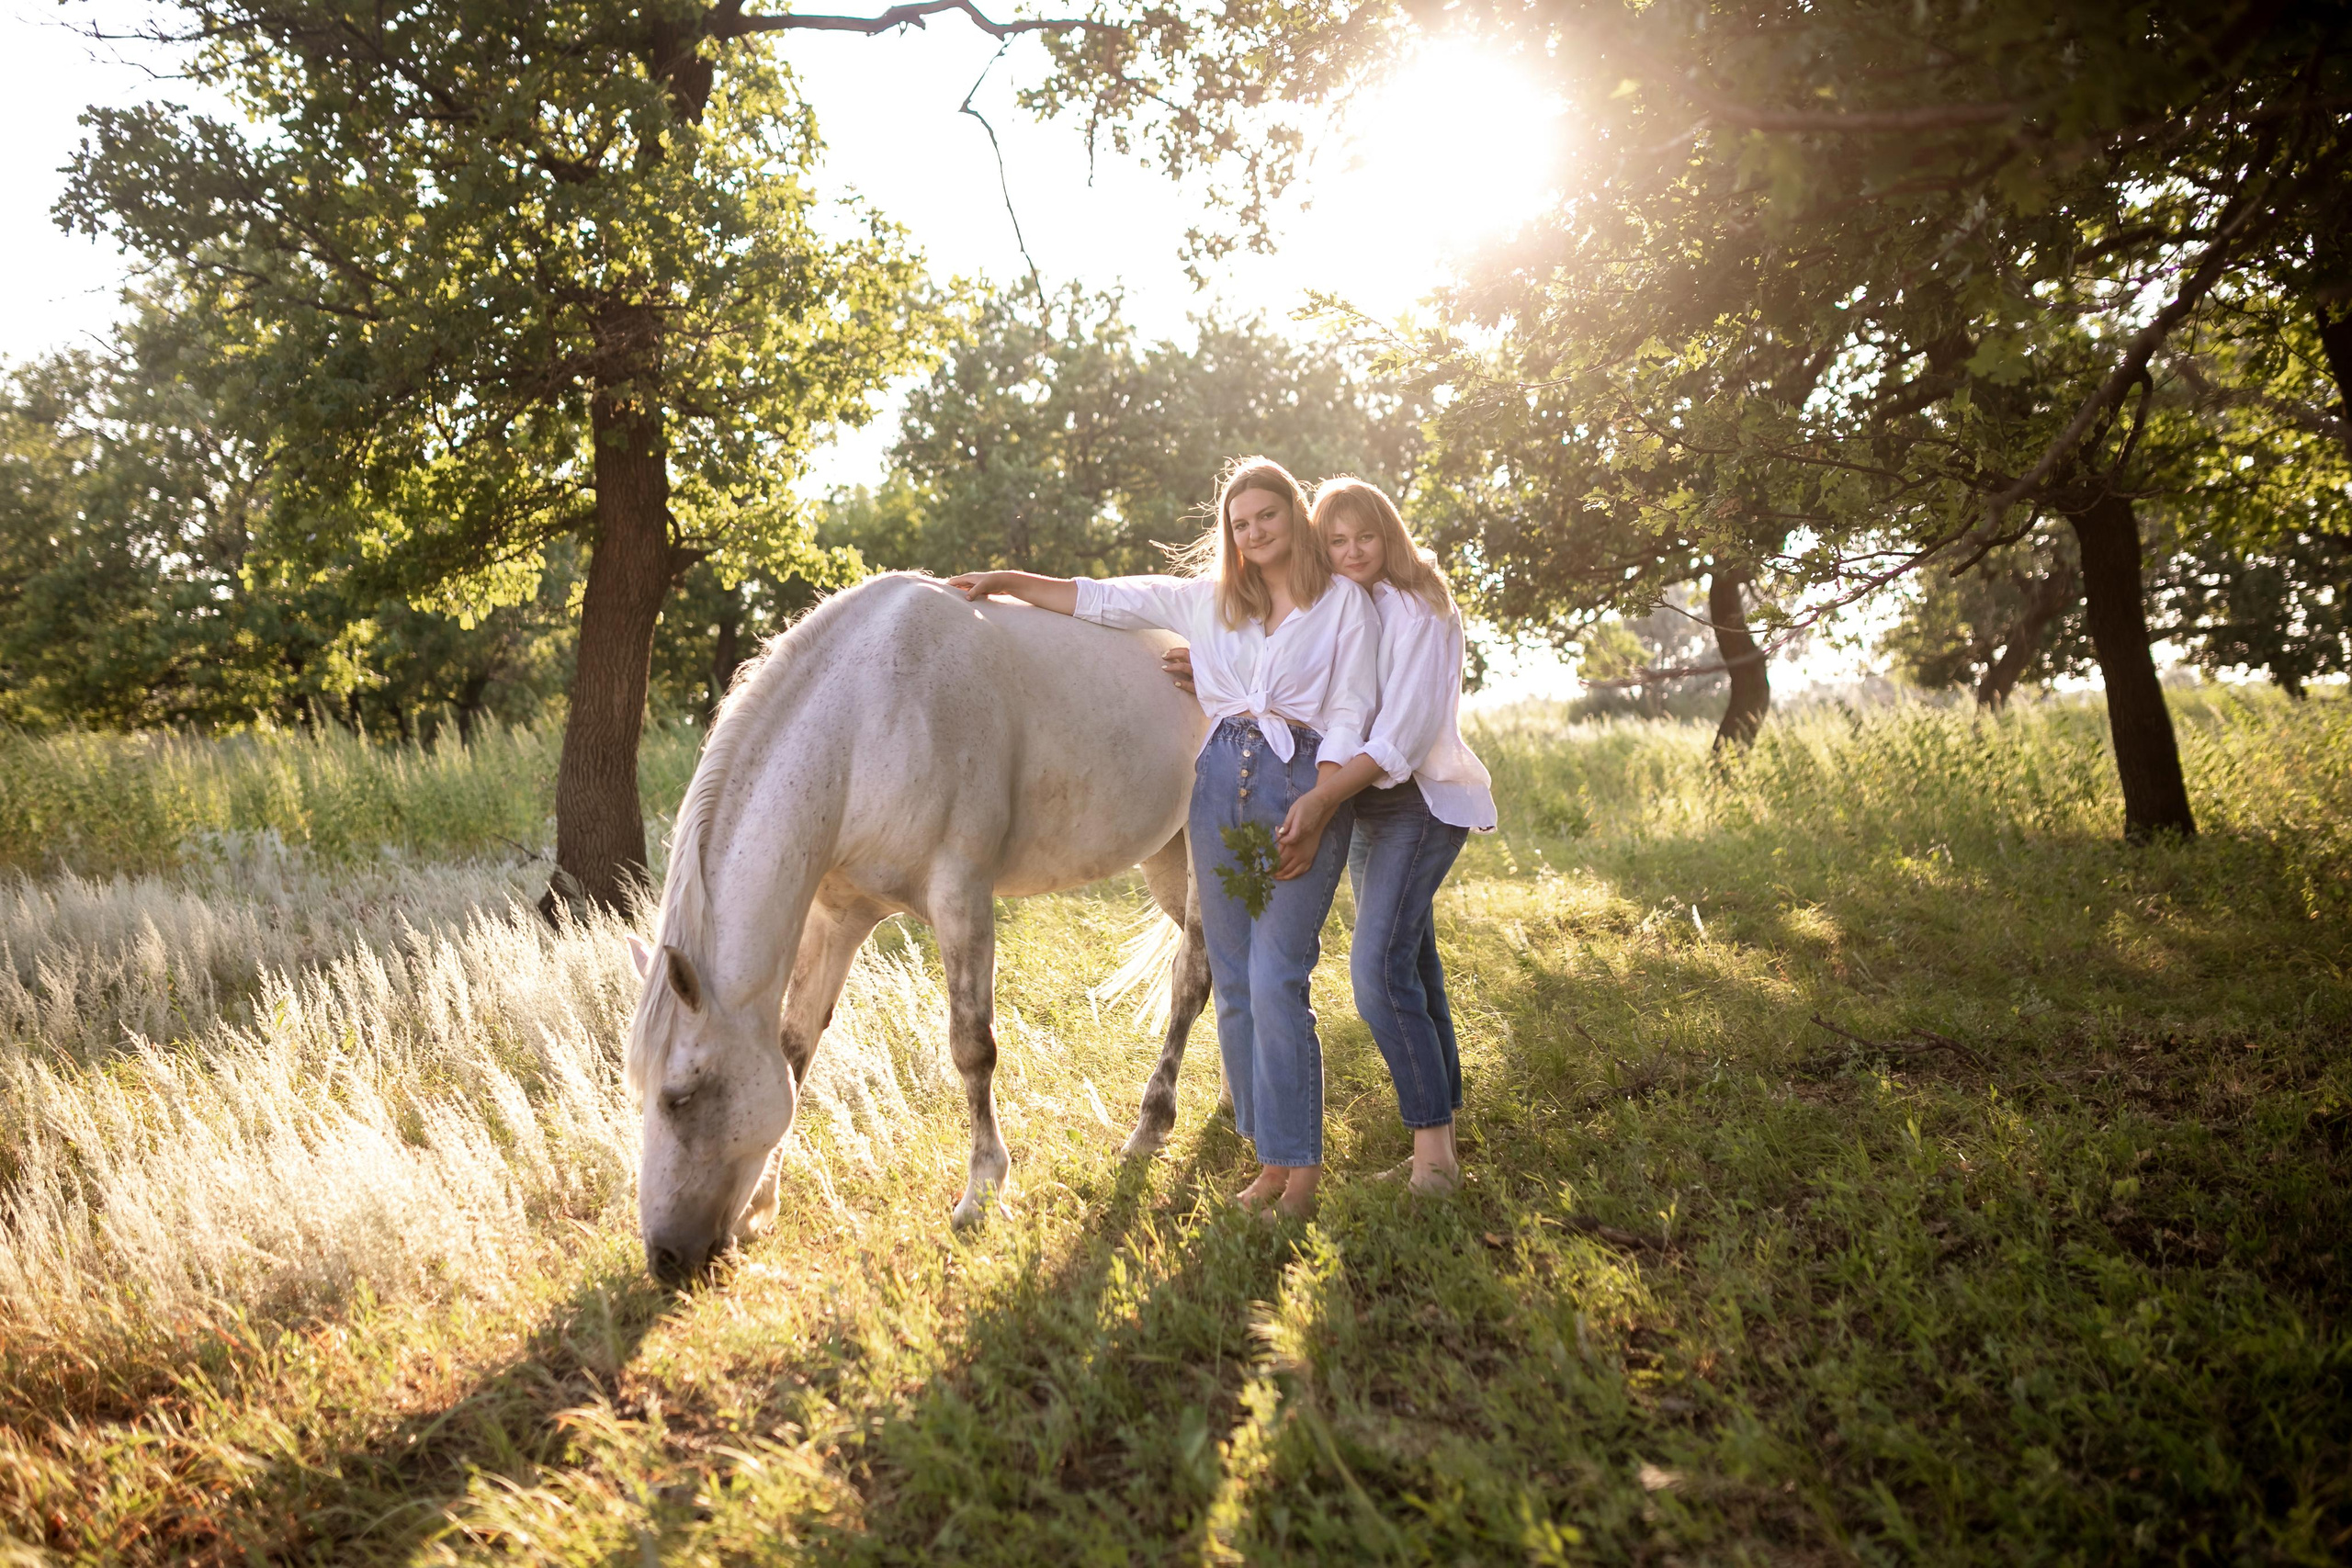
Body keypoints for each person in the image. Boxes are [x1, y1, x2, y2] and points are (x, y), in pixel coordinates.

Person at [947, 457, 1377, 1219]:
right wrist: (1009, 578)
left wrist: (1320, 800)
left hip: (1304, 780)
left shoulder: (1341, 601)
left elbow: (1352, 709)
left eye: (1267, 517)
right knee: (1237, 979)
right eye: (1241, 524)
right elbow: (1105, 600)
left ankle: (1302, 1175)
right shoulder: (1208, 601)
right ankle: (1269, 1159)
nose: (1254, 532)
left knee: (1280, 974)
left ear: (1293, 513)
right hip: (1218, 781)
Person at [1164, 477, 1494, 1194]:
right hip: (1368, 806)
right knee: (1414, 969)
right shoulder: (1350, 600)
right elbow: (1304, 672)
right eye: (1336, 540)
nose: (1350, 552)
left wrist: (1317, 801)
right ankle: (1436, 1141)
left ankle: (1435, 1158)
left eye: (1365, 538)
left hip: (1415, 801)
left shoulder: (1419, 607)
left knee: (1377, 974)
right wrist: (1228, 676)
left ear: (1391, 535)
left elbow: (1394, 732)